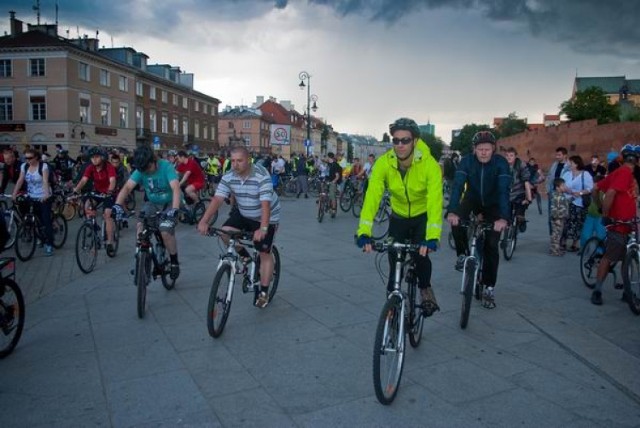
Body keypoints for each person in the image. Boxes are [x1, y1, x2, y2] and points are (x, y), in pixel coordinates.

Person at [356, 118, 442, 314]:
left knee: (421, 256)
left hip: (422, 216)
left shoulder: (429, 165)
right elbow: (372, 198)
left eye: (405, 140)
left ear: (415, 141)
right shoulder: (384, 163)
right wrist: (364, 232)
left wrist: (432, 237)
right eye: (396, 141)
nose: (400, 145)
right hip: (399, 216)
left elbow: (435, 201)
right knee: (394, 254)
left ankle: (425, 289)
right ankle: (392, 297)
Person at [197, 145, 280, 308]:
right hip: (244, 212)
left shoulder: (261, 176)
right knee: (225, 232)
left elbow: (265, 206)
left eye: (239, 161)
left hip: (266, 215)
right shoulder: (229, 176)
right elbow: (217, 199)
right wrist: (204, 221)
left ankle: (264, 291)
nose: (235, 164)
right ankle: (246, 257)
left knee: (264, 251)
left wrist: (263, 229)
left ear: (248, 160)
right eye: (232, 161)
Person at [447, 130, 510, 309]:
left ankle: (489, 287)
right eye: (480, 149)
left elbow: (504, 191)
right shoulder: (466, 161)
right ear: (474, 149)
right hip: (472, 199)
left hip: (493, 203)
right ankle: (462, 254)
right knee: (456, 218)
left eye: (487, 149)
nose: (483, 152)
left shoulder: (501, 163)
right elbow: (458, 186)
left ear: (493, 149)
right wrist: (452, 211)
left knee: (491, 244)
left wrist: (504, 218)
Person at [113, 144, 182, 279]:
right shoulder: (142, 169)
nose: (146, 172)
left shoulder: (166, 167)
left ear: (153, 160)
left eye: (148, 168)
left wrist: (174, 209)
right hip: (152, 203)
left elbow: (175, 188)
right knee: (140, 224)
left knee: (165, 231)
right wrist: (117, 205)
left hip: (169, 203)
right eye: (143, 170)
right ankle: (140, 257)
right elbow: (127, 187)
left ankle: (174, 262)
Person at [590, 144, 640, 305]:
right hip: (618, 223)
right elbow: (610, 193)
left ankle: (627, 290)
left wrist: (598, 205)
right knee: (610, 256)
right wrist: (605, 214)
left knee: (626, 255)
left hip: (629, 223)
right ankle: (597, 290)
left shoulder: (620, 173)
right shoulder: (625, 173)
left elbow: (595, 188)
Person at [73, 147, 118, 255]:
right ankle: (93, 231)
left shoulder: (109, 167)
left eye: (97, 157)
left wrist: (110, 191)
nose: (94, 159)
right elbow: (84, 180)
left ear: (102, 157)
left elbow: (112, 180)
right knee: (87, 205)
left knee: (107, 215)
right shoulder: (90, 168)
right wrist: (76, 190)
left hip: (109, 193)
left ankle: (110, 242)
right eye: (92, 157)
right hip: (97, 192)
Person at [12, 148, 54, 256]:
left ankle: (49, 244)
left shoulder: (43, 166)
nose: (28, 160)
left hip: (43, 196)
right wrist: (14, 193)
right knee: (29, 217)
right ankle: (37, 236)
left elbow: (45, 181)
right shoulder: (24, 166)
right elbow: (20, 180)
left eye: (30, 158)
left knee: (45, 221)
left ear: (36, 157)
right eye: (26, 158)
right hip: (31, 196)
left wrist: (45, 195)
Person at [560, 155, 593, 253]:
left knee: (578, 223)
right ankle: (563, 241)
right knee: (566, 222)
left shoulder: (585, 174)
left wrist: (580, 193)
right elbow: (561, 184)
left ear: (576, 164)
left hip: (579, 203)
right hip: (567, 201)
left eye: (571, 163)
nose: (569, 164)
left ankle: (574, 244)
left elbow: (590, 188)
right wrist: (567, 190)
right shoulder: (567, 174)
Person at [504, 147, 533, 233]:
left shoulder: (521, 165)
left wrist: (529, 198)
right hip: (507, 193)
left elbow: (526, 182)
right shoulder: (503, 165)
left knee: (519, 213)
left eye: (511, 155)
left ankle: (521, 221)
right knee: (506, 216)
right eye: (507, 155)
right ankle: (507, 234)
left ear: (515, 156)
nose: (509, 157)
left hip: (519, 193)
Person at [545, 147, 570, 235]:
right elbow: (549, 177)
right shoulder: (554, 165)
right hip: (553, 192)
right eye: (556, 155)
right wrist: (548, 190)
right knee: (551, 215)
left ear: (565, 155)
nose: (557, 157)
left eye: (559, 155)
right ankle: (553, 237)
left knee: (563, 217)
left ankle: (562, 238)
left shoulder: (569, 166)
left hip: (563, 194)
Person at [549, 178, 570, 256]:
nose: (564, 187)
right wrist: (556, 218)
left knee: (559, 234)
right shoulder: (556, 196)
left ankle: (556, 249)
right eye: (563, 186)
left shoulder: (561, 195)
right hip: (557, 218)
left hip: (561, 218)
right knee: (556, 235)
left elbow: (565, 203)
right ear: (557, 187)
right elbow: (554, 208)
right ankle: (554, 251)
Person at [326, 152, 342, 218]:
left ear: (329, 157)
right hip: (329, 182)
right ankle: (329, 207)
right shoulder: (330, 164)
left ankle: (333, 210)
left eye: (327, 157)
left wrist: (333, 182)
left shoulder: (335, 165)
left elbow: (337, 176)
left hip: (333, 183)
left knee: (332, 197)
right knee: (329, 195)